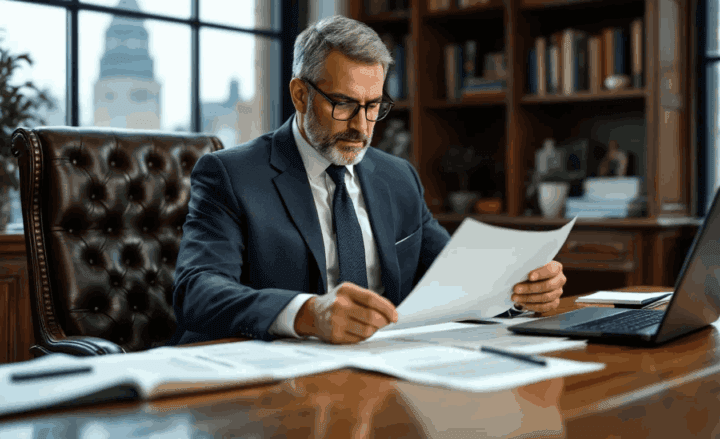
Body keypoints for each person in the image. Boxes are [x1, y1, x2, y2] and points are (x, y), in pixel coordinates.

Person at [168, 15, 566, 346]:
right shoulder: (230, 174)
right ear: (300, 95)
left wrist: (520, 292)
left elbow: (456, 276)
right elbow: (196, 291)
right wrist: (308, 313)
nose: (361, 127)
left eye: (373, 106)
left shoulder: (398, 177)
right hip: (266, 379)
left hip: (381, 370)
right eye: (343, 104)